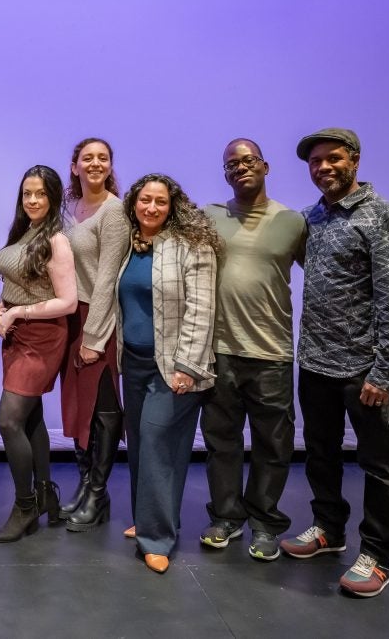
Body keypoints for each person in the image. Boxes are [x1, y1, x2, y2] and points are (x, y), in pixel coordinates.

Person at [281, 128, 389, 598]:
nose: (323, 168)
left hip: (364, 370)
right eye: (315, 162)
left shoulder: (384, 217)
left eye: (332, 159)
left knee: (379, 464)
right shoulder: (312, 217)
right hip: (315, 362)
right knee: (320, 452)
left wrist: (385, 371)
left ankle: (376, 556)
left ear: (354, 160)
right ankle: (328, 529)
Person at [200, 138, 306, 560]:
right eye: (230, 164)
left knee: (273, 444)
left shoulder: (293, 222)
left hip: (272, 351)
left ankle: (264, 522)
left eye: (247, 161)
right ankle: (226, 517)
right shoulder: (210, 217)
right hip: (220, 350)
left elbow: (321, 275)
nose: (239, 168)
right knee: (221, 441)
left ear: (264, 166)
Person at [117, 174, 218, 573]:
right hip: (135, 363)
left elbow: (202, 310)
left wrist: (188, 367)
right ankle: (148, 518)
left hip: (174, 366)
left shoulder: (194, 245)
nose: (152, 208)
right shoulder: (131, 245)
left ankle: (157, 538)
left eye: (161, 201)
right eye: (145, 200)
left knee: (160, 444)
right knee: (141, 445)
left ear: (172, 205)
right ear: (134, 203)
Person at [0, 165, 77, 543]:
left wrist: (16, 311)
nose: (32, 200)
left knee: (9, 421)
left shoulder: (56, 240)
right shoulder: (23, 231)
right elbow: (19, 281)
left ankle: (25, 505)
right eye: (27, 193)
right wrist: (3, 306)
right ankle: (46, 495)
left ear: (54, 197)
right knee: (30, 420)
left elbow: (68, 302)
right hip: (16, 334)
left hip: (42, 337)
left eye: (40, 194)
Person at [59, 138, 131, 532]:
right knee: (76, 407)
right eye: (88, 158)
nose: (95, 163)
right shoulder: (67, 209)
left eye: (103, 157)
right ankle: (85, 482)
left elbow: (106, 280)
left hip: (98, 320)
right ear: (74, 166)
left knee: (102, 408)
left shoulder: (114, 212)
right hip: (69, 318)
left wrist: (94, 338)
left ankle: (98, 493)